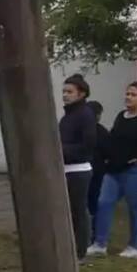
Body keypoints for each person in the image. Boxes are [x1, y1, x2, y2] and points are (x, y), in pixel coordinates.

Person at [87, 82, 137, 259]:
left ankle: (133, 247)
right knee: (104, 202)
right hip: (114, 170)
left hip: (136, 171)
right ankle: (100, 243)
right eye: (127, 94)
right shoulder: (122, 116)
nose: (128, 97)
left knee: (136, 209)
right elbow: (113, 138)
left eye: (133, 94)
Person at [59, 75, 97, 260]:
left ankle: (80, 252)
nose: (65, 95)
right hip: (65, 168)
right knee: (67, 212)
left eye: (69, 92)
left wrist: (61, 149)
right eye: (64, 91)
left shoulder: (85, 115)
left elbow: (87, 145)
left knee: (78, 211)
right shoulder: (68, 116)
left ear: (81, 94)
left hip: (78, 170)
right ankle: (69, 247)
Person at [87, 100, 111, 239]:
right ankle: (93, 233)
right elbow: (109, 152)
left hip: (90, 172)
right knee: (94, 203)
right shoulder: (101, 131)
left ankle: (89, 233)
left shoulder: (83, 129)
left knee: (87, 203)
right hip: (97, 172)